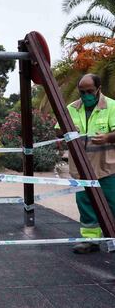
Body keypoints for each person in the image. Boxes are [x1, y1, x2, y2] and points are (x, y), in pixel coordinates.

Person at [57, 73, 115, 254]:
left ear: (98, 89)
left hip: (106, 167)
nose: (86, 96)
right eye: (82, 92)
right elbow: (58, 131)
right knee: (85, 203)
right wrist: (63, 134)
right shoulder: (71, 108)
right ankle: (90, 240)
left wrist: (107, 138)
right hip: (80, 169)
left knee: (112, 202)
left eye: (90, 91)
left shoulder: (112, 106)